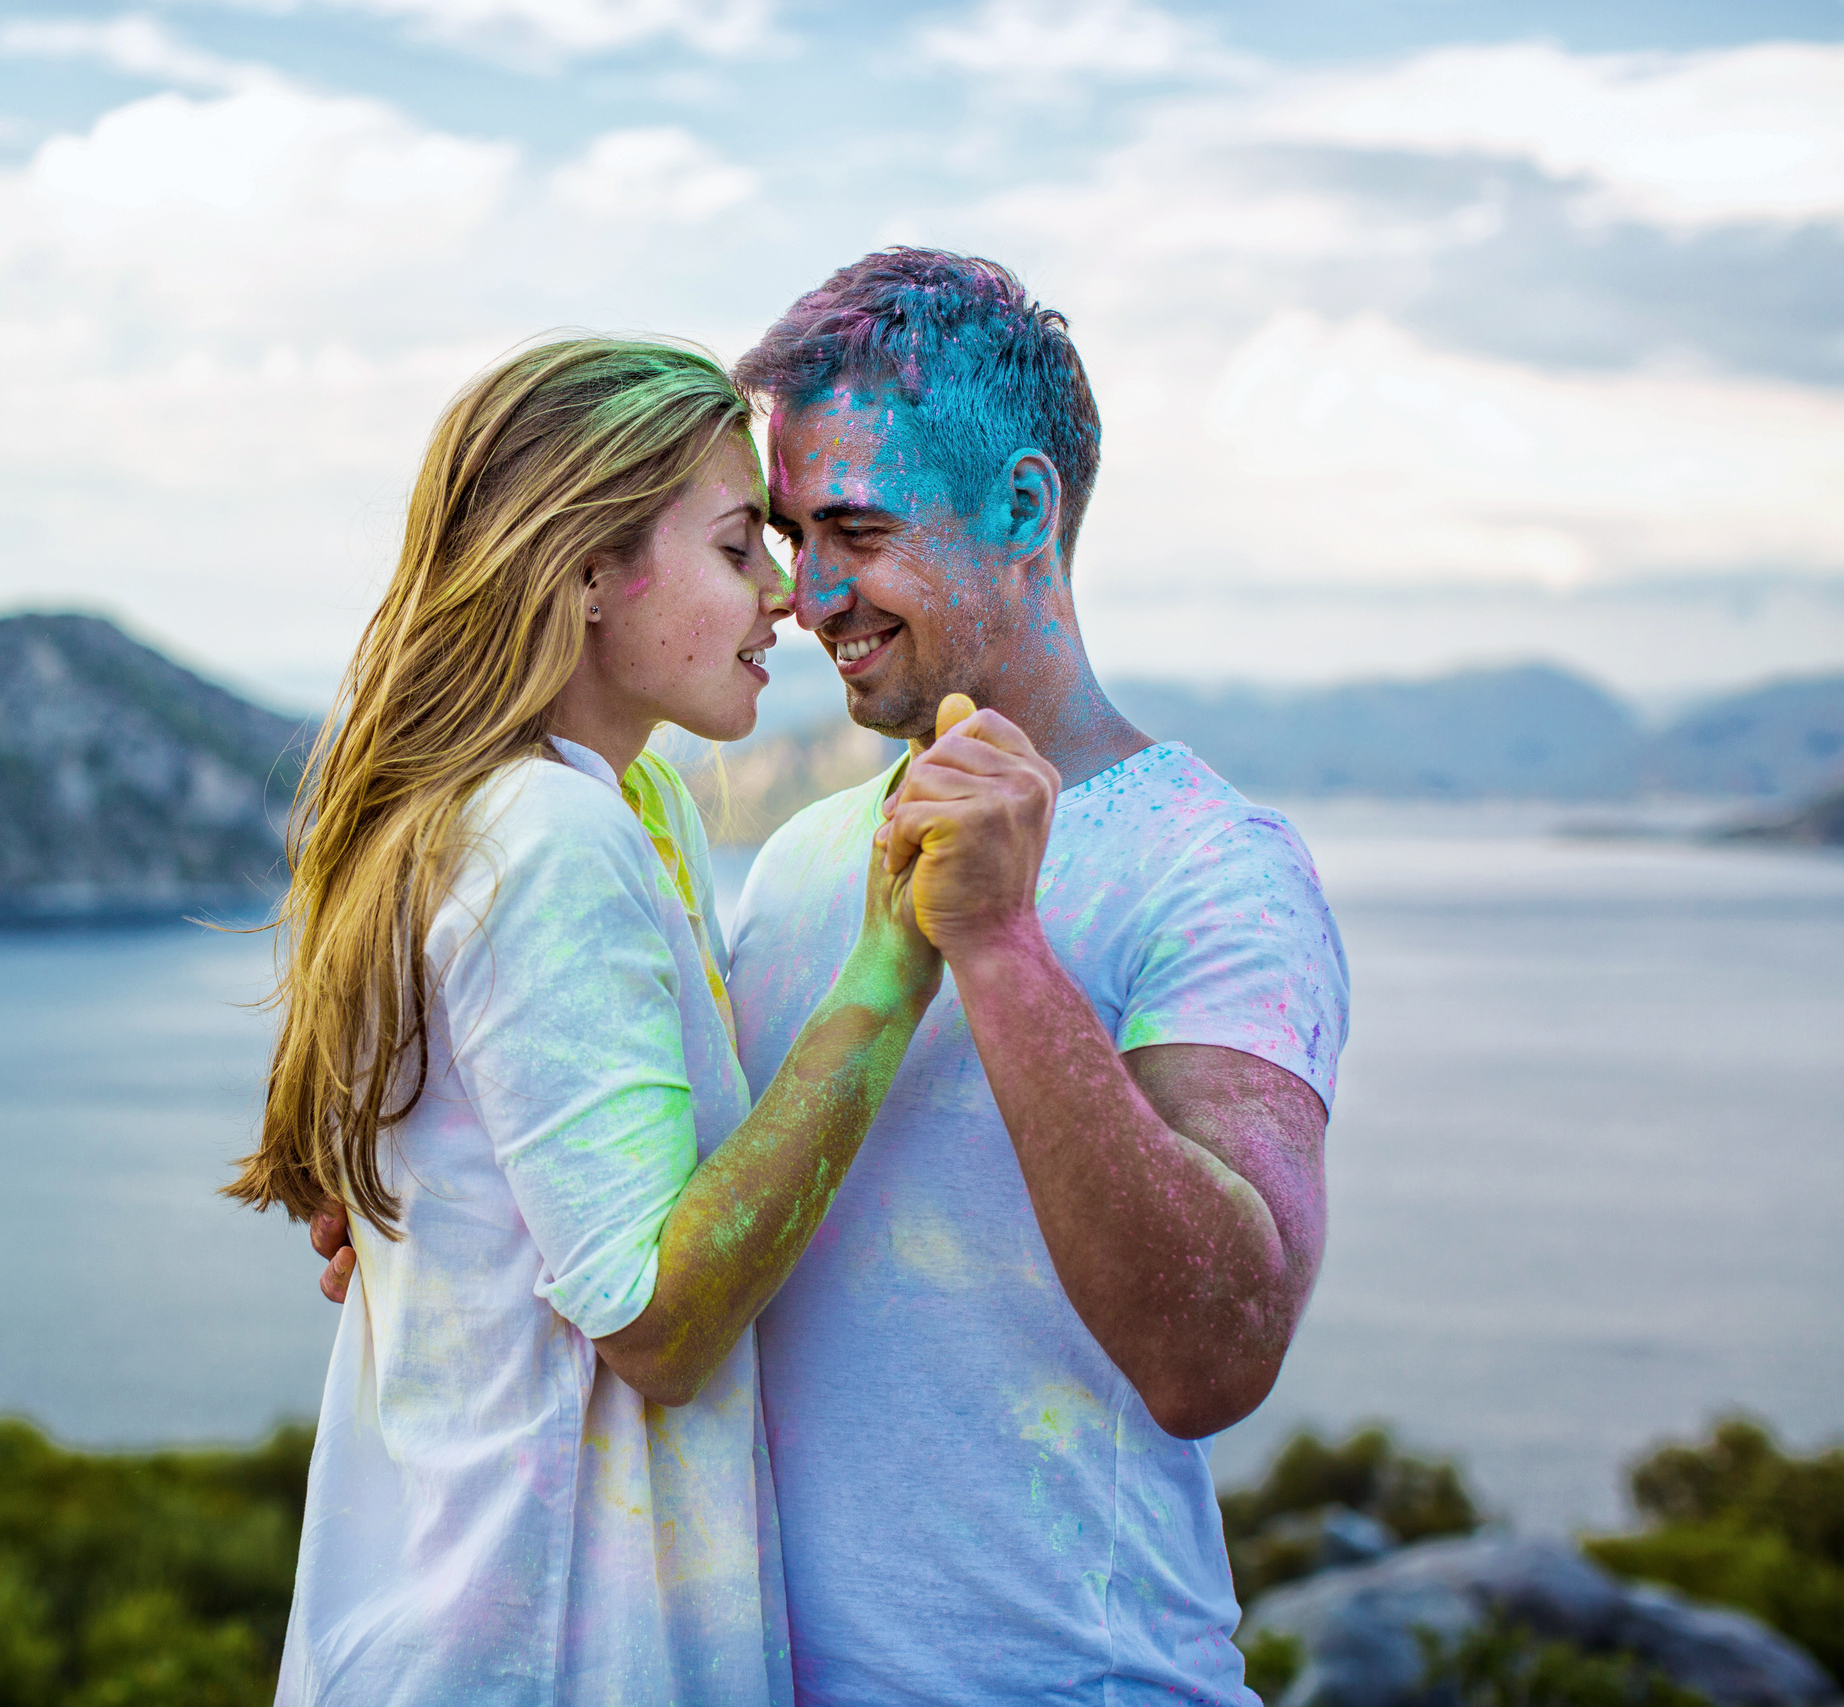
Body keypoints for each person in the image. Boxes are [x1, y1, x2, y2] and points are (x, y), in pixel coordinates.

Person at [314, 251, 1350, 1705]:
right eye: (782, 535)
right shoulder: (805, 861)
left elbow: (1217, 1351)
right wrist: (448, 1204)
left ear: (1025, 507)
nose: (805, 598)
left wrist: (996, 946)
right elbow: (671, 1205)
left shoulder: (1214, 865)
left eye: (852, 530)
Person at [229, 337, 950, 1705]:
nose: (787, 595)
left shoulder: (626, 806)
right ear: (584, 573)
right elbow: (659, 1325)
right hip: (546, 1654)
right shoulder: (549, 835)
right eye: (743, 547)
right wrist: (891, 972)